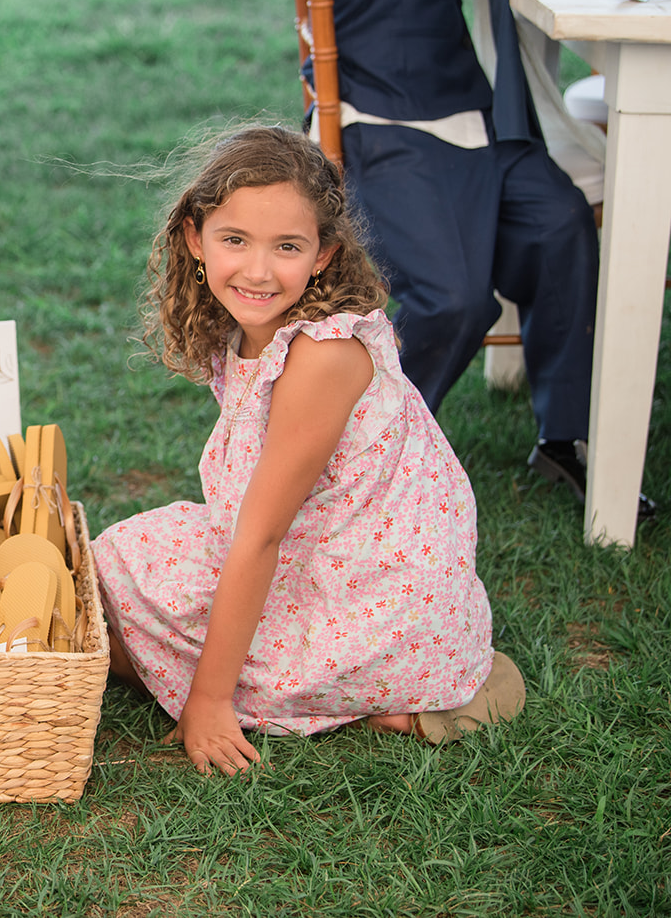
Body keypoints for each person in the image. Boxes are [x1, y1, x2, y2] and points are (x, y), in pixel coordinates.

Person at [93, 126, 525, 777]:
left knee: (124, 604)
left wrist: (208, 701)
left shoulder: (323, 357)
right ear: (194, 237)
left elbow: (260, 536)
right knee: (116, 564)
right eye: (234, 240)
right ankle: (354, 688)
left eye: (287, 247)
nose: (259, 269)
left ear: (323, 254)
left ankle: (386, 690)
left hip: (372, 585)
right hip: (321, 547)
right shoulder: (249, 328)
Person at [319, 0, 636, 514]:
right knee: (450, 298)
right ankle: (363, 453)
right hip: (393, 128)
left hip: (461, 117)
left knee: (559, 223)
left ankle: (563, 435)